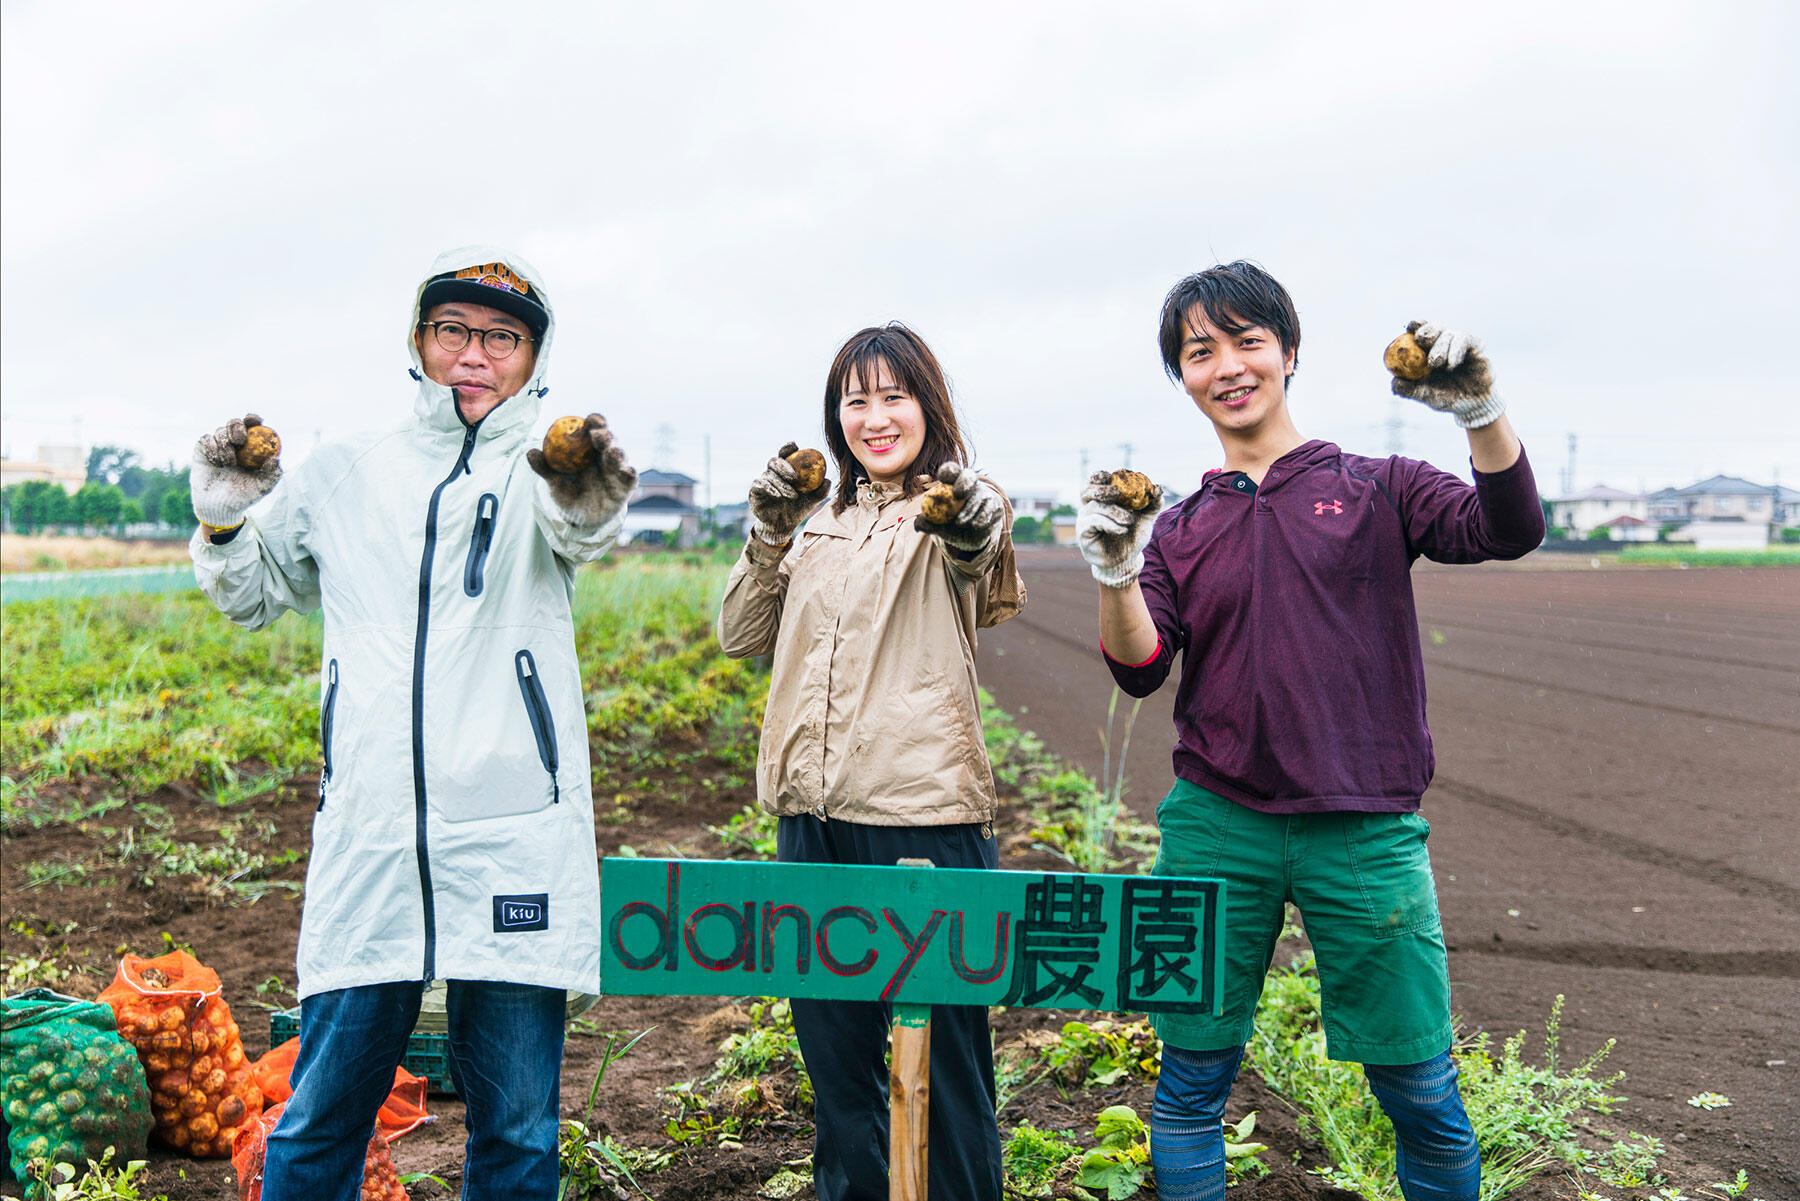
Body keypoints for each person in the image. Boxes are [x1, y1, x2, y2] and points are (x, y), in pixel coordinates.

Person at [1076, 261, 1543, 1201]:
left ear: (1289, 353)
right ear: (1182, 377)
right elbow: (1140, 667)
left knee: (1420, 1088)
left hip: (1365, 828)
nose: (1228, 366)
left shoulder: (1377, 487)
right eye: (1200, 351)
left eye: (1247, 341)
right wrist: (1118, 571)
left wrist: (1480, 411)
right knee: (1190, 1083)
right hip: (1217, 825)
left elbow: (1509, 527)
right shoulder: (1181, 528)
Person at [188, 247, 637, 1201]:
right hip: (374, 841)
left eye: (503, 338)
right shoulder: (348, 471)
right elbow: (252, 595)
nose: (475, 354)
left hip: (513, 841)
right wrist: (225, 523)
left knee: (517, 1129)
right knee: (322, 1116)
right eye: (454, 330)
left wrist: (586, 491)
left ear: (534, 358)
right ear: (419, 339)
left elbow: (582, 527)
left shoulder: (542, 473)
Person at [716, 322, 1025, 1201]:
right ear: (836, 416)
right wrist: (768, 530)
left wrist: (965, 517)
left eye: (896, 396)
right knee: (838, 1068)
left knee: (949, 1072)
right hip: (811, 824)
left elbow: (981, 548)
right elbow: (740, 632)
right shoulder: (819, 525)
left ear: (930, 407)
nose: (876, 417)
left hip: (922, 824)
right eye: (857, 401)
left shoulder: (959, 506)